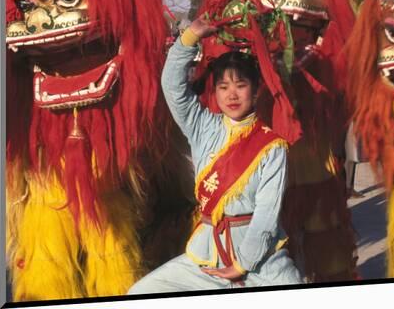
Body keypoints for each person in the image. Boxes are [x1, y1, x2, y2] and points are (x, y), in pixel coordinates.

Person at [128, 17, 302, 294]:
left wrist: (242, 264)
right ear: (216, 93)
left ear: (256, 91)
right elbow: (173, 88)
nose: (231, 94)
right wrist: (190, 38)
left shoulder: (272, 146)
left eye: (240, 85)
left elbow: (267, 214)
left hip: (261, 260)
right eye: (223, 87)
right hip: (207, 252)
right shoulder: (202, 126)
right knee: (140, 292)